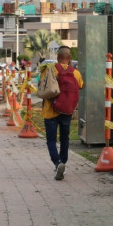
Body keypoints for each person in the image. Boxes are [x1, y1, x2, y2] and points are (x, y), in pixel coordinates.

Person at [40, 46, 83, 180]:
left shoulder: (50, 69)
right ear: (69, 59)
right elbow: (81, 85)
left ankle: (57, 163)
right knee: (65, 138)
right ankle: (63, 162)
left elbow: (41, 84)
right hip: (66, 111)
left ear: (57, 57)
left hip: (50, 110)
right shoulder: (76, 73)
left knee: (51, 140)